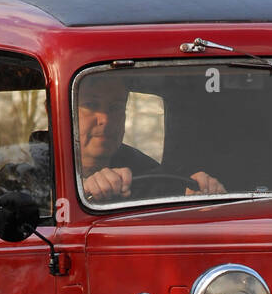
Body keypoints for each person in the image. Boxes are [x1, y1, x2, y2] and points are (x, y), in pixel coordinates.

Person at [78, 71, 225, 200]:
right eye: (91, 105)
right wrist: (85, 191)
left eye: (116, 107)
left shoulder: (146, 173)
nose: (105, 119)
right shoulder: (55, 177)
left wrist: (198, 195)